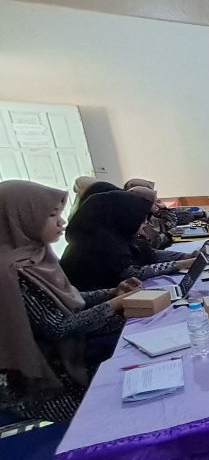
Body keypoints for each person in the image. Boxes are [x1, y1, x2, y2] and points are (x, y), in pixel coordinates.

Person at [0, 180, 142, 421]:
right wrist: (114, 305)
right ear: (20, 219)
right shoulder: (12, 272)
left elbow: (69, 297)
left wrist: (110, 293)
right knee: (124, 404)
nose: (61, 222)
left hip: (71, 358)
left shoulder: (37, 256)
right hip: (44, 387)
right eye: (51, 215)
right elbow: (57, 327)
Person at [61, 191, 193, 291]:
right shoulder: (97, 246)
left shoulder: (119, 236)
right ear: (123, 218)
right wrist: (180, 264)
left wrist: (185, 256)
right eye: (140, 220)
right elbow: (133, 272)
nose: (145, 223)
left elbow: (150, 253)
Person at [127, 186, 190, 263]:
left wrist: (164, 209)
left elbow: (169, 224)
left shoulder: (151, 218)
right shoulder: (135, 222)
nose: (157, 204)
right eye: (154, 202)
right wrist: (168, 234)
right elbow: (150, 247)